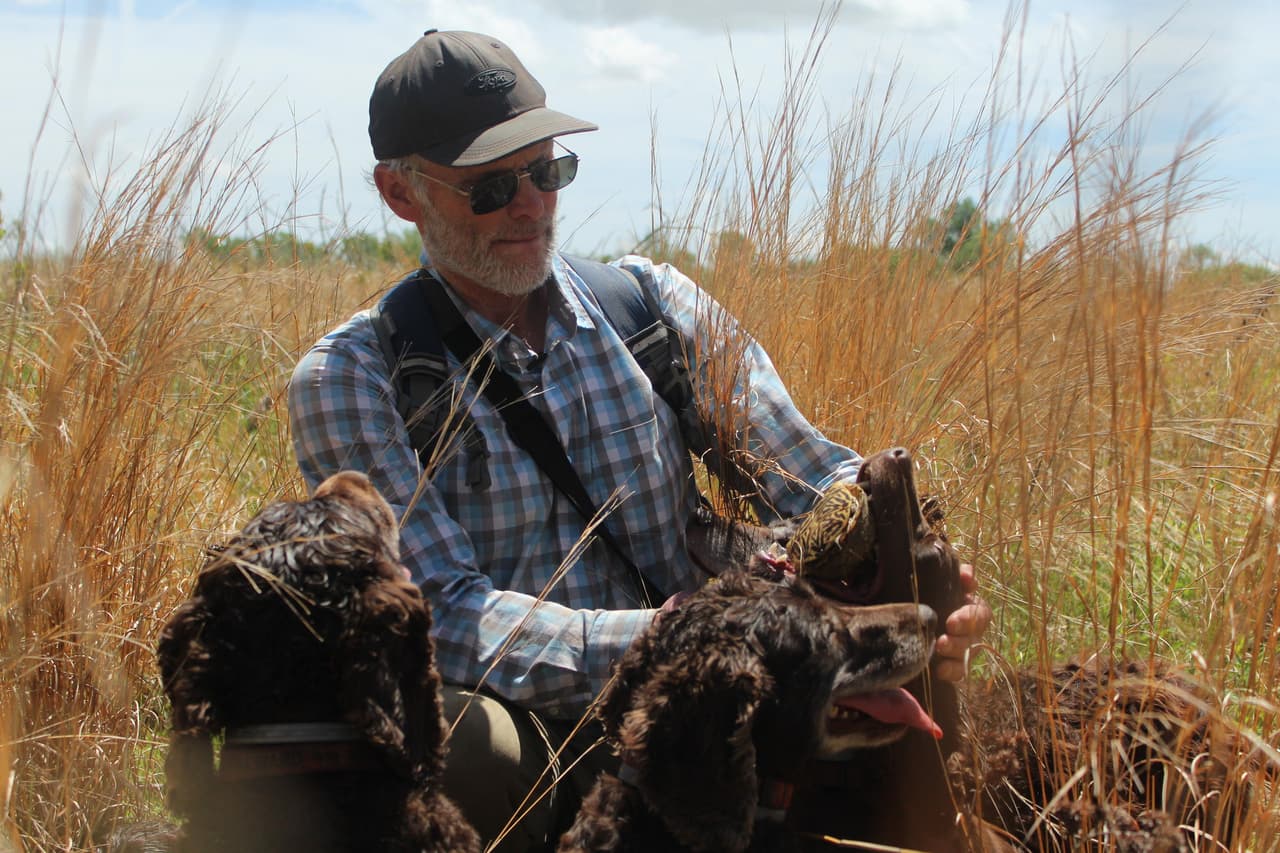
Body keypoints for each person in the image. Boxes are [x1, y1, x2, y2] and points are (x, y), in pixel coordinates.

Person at [288, 28, 992, 852]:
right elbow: (442, 612)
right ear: (401, 194)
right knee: (469, 744)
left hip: (719, 692)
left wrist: (909, 551)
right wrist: (672, 639)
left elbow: (807, 474)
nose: (530, 204)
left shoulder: (648, 305)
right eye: (490, 186)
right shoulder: (355, 377)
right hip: (553, 726)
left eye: (548, 170)